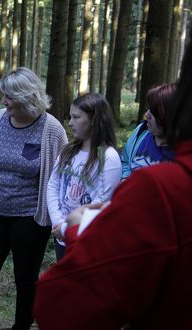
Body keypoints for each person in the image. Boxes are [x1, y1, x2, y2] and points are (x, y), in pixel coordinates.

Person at [34, 0, 192, 328]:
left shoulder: (165, 194)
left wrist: (80, 228)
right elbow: (54, 183)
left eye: (76, 117)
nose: (146, 117)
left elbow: (62, 307)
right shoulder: (134, 142)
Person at [0, 67, 68, 330]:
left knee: (25, 279)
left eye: (9, 97)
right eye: (4, 95)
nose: (4, 101)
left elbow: (60, 177)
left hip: (30, 216)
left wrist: (59, 215)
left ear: (27, 96)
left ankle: (22, 326)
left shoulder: (51, 129)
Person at [47, 93, 121, 260]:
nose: (70, 123)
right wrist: (58, 223)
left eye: (76, 117)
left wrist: (66, 228)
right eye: (70, 117)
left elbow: (100, 202)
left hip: (87, 239)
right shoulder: (68, 151)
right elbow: (53, 185)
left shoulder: (108, 158)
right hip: (62, 237)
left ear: (94, 120)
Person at [121, 83, 176, 180]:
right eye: (148, 109)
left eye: (153, 112)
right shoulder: (141, 131)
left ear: (168, 116)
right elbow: (125, 161)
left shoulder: (183, 152)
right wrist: (125, 180)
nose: (146, 115)